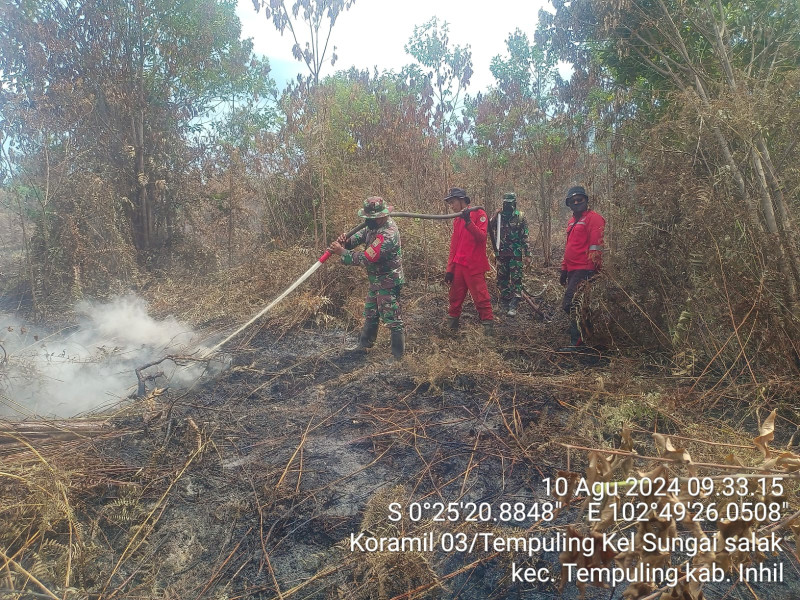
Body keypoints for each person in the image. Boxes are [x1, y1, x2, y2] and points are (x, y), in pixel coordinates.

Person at [328, 196, 405, 359]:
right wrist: (346, 242)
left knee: (392, 318)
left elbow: (366, 258)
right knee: (370, 312)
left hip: (388, 280)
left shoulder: (388, 234)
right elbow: (359, 237)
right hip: (376, 280)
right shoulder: (372, 226)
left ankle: (398, 357)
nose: (366, 220)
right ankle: (364, 346)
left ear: (381, 216)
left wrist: (342, 253)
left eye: (371, 218)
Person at [443, 187, 494, 335]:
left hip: (474, 265)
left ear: (461, 200)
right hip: (459, 265)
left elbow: (482, 237)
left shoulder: (479, 214)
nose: (452, 206)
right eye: (450, 203)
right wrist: (449, 269)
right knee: (455, 297)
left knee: (481, 297)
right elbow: (454, 245)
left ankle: (488, 331)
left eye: (453, 202)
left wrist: (469, 221)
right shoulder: (458, 219)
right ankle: (451, 328)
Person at [559, 185, 605, 348]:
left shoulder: (594, 218)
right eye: (573, 200)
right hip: (572, 270)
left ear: (586, 200)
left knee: (570, 304)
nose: (577, 202)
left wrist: (592, 270)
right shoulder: (572, 221)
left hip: (584, 269)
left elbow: (596, 246)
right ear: (569, 203)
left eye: (580, 199)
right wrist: (564, 269)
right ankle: (587, 334)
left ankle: (577, 341)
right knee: (580, 304)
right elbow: (570, 246)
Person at [489, 192, 531, 316]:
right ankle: (505, 301)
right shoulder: (499, 216)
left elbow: (525, 236)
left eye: (510, 202)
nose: (507, 205)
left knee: (516, 278)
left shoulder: (520, 217)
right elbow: (488, 229)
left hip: (515, 254)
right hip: (501, 253)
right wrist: (494, 216)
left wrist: (528, 254)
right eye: (505, 202)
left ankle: (514, 303)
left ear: (514, 203)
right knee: (502, 278)